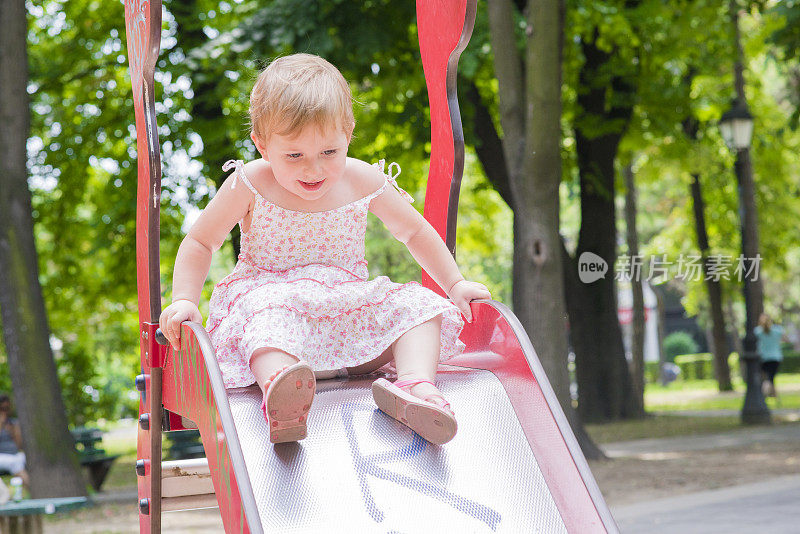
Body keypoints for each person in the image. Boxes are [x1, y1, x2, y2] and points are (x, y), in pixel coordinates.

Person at [159, 53, 491, 445]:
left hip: (344, 317)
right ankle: (281, 391)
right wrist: (184, 298)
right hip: (276, 306)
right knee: (266, 317)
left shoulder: (363, 178)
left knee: (419, 305)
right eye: (295, 155)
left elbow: (415, 232)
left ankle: (415, 385)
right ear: (262, 146)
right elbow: (201, 240)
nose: (313, 169)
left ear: (348, 134)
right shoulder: (250, 183)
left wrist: (454, 284)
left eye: (329, 152)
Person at [0, 394, 29, 488]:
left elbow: (19, 445)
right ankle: (32, 489)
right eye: (2, 409)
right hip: (2, 456)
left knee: (25, 459)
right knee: (15, 463)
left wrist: (13, 432)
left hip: (16, 454)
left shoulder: (13, 422)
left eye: (7, 408)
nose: (5, 412)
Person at [755, 313, 786, 397]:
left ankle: (769, 394)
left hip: (763, 357)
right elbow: (785, 339)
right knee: (770, 378)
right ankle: (768, 394)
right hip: (775, 357)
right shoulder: (778, 330)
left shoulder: (757, 331)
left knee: (767, 378)